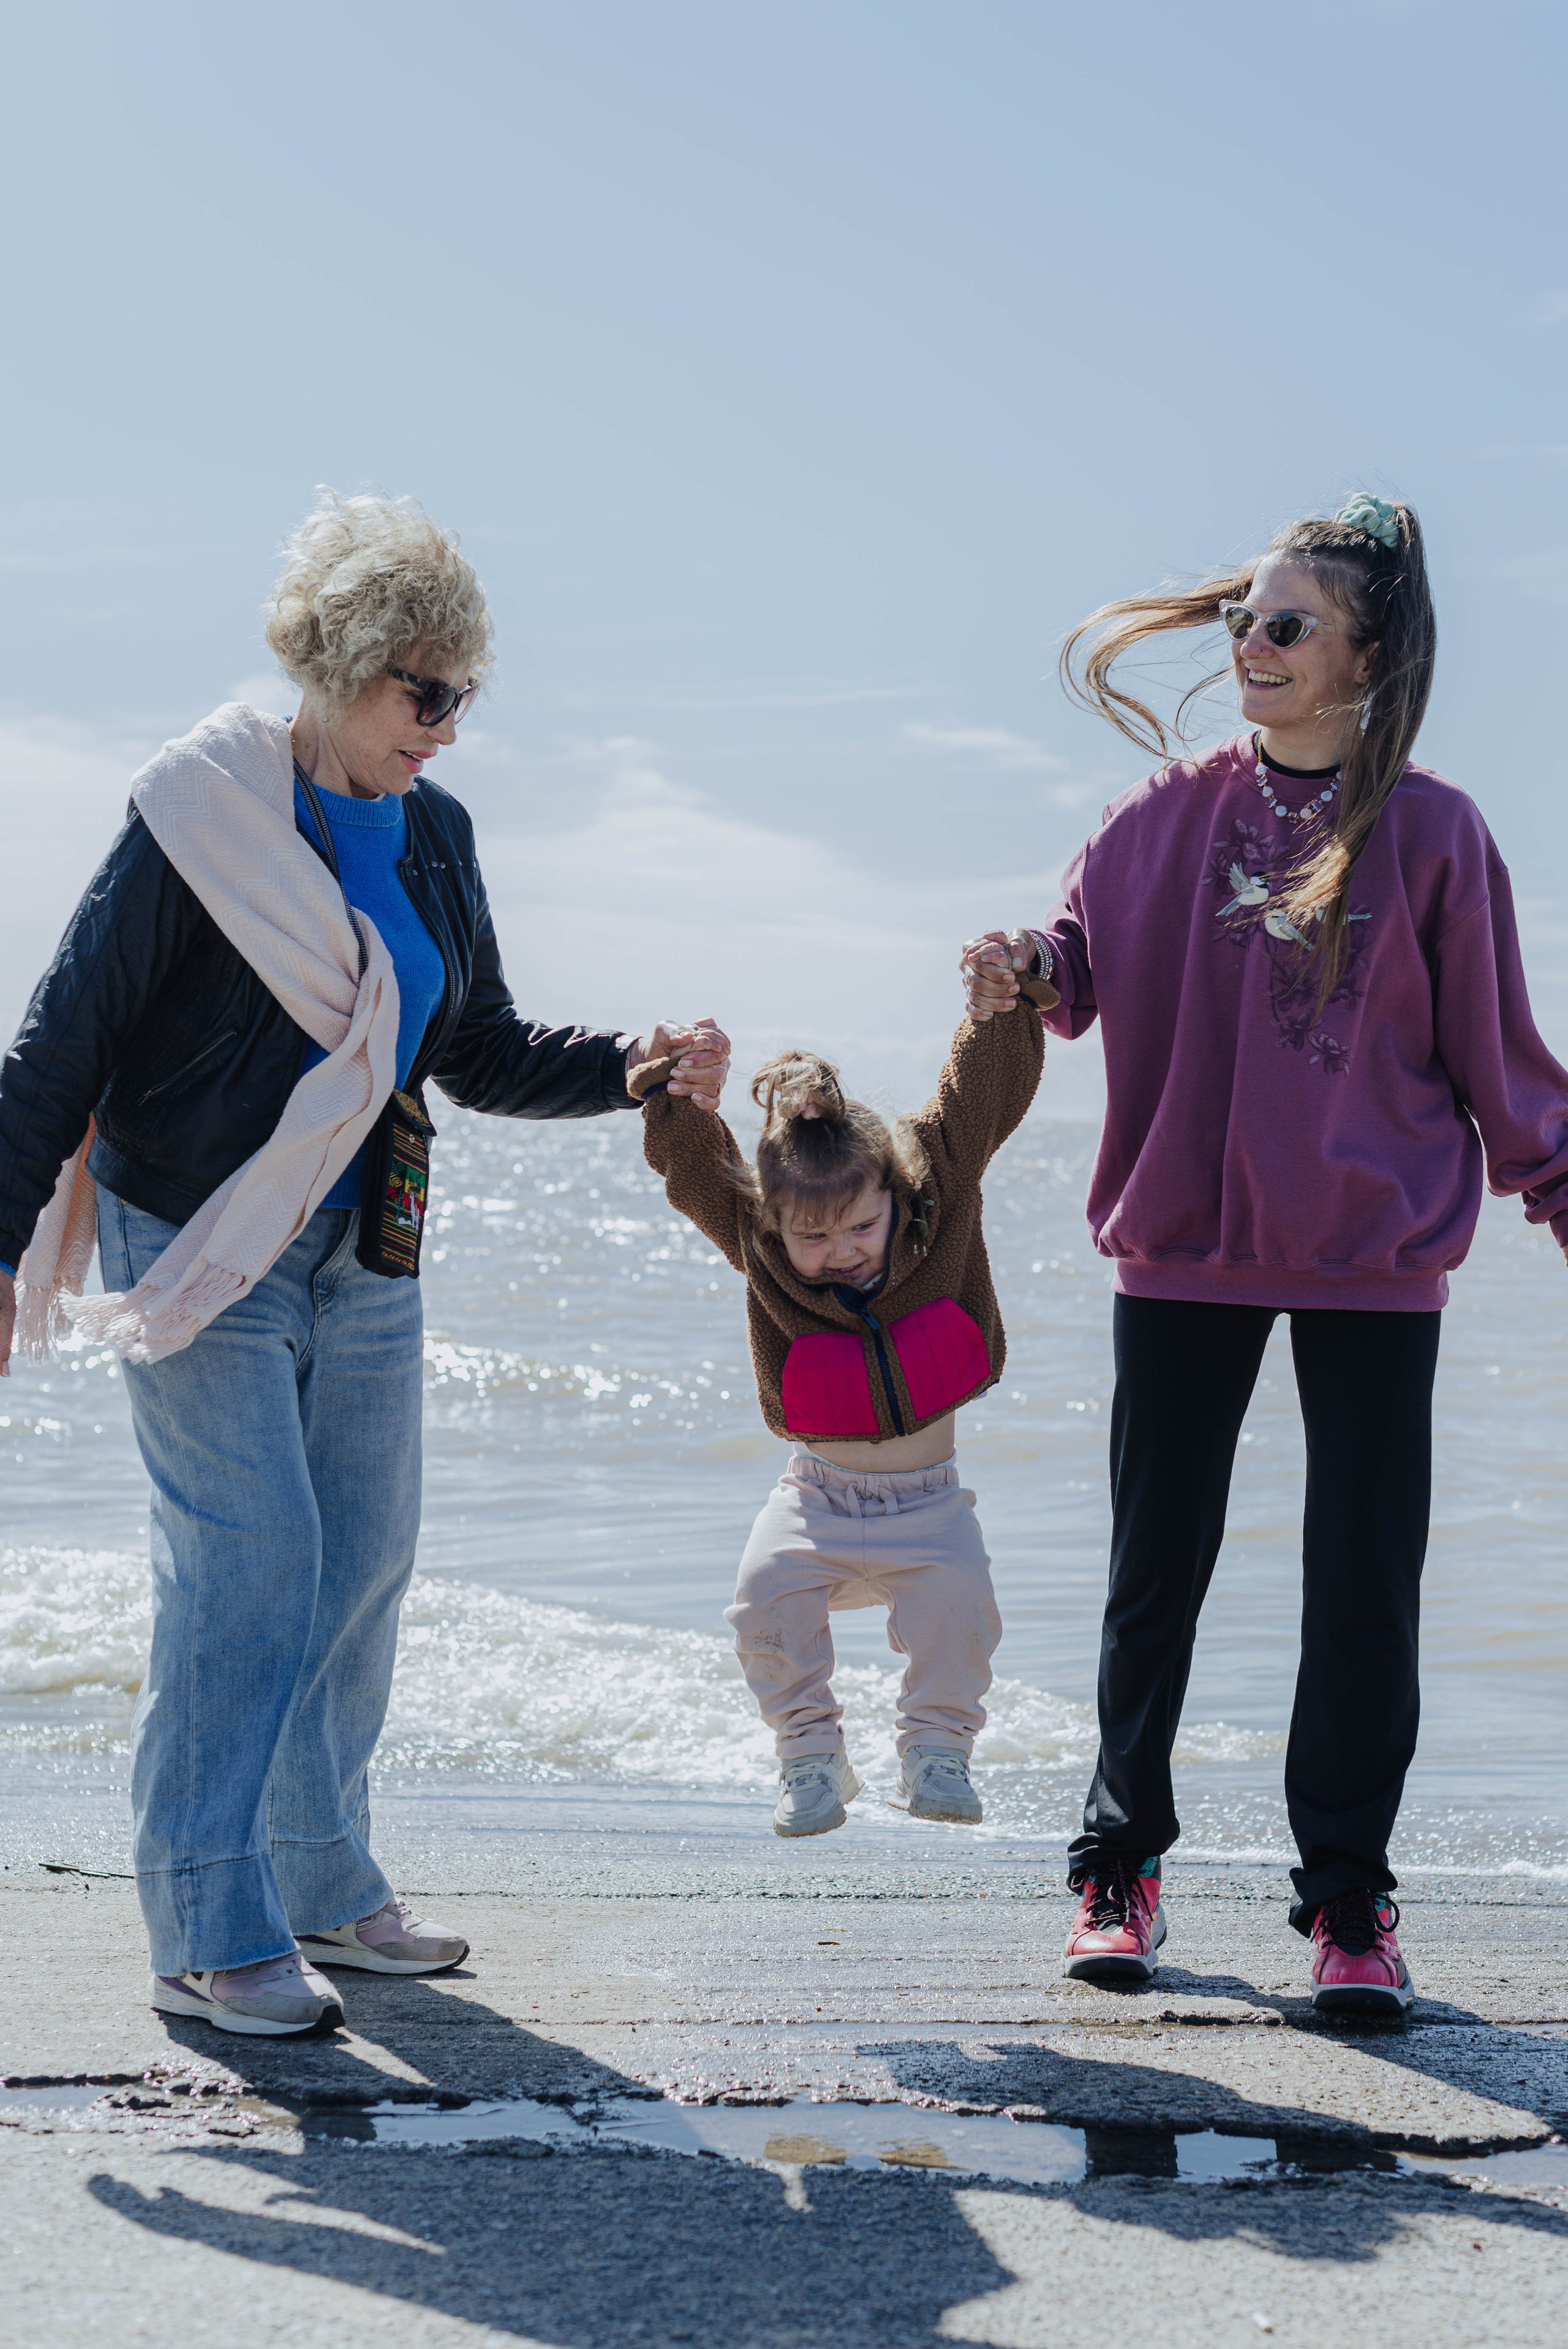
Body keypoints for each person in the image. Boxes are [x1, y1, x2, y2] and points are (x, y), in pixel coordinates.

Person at [0, 488, 726, 2038]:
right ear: (334, 665)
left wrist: (630, 1067)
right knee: (246, 1567)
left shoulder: (436, 837)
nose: (446, 728)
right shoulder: (199, 815)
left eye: (462, 696)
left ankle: (321, 1874)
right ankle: (205, 1923)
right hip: (197, 1233)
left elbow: (468, 1045)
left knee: (361, 1564)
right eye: (423, 692)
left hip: (368, 1236)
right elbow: (61, 1043)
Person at [964, 494, 1568, 2016]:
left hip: (1372, 1262)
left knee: (1364, 1581)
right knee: (1150, 1569)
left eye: (1286, 625)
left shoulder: (1431, 832)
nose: (1250, 644)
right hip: (1181, 1249)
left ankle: (1347, 1905)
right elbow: (1078, 961)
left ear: (1366, 659)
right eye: (1245, 618)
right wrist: (1027, 968)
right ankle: (1118, 1868)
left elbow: (1503, 1061)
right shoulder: (1160, 815)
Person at [633, 977, 1050, 1836]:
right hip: (815, 1498)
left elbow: (974, 1101)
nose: (841, 1254)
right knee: (761, 1605)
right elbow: (694, 1172)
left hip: (930, 1505)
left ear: (897, 1196)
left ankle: (937, 1753)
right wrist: (681, 1092)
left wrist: (998, 1006)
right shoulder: (763, 1247)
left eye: (861, 1226)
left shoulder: (938, 1207)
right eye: (812, 1239)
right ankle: (810, 1757)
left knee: (963, 1614)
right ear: (773, 1229)